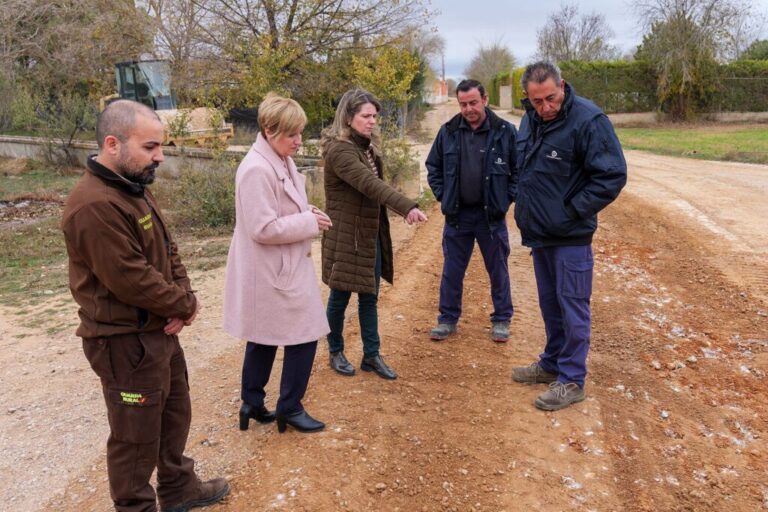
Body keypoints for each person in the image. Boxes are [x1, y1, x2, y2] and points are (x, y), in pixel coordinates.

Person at [61, 100, 228, 512]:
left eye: (160, 146)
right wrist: (183, 305)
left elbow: (168, 251)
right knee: (134, 436)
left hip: (155, 331)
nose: (160, 156)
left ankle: (178, 489)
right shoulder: (95, 204)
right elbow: (131, 278)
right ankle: (136, 507)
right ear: (113, 143)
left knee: (174, 413)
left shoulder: (133, 188)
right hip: (123, 343)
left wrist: (183, 298)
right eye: (151, 147)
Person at [510, 61, 627, 411]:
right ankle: (551, 364)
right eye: (536, 101)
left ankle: (572, 379)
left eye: (551, 98)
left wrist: (572, 210)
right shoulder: (530, 120)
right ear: (527, 99)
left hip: (571, 236)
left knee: (573, 306)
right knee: (550, 304)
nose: (546, 107)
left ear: (562, 85)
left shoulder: (588, 121)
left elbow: (612, 175)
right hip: (541, 234)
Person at [223, 94, 332, 434]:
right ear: (269, 130)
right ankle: (289, 408)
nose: (299, 141)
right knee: (305, 335)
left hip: (277, 267)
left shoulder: (279, 158)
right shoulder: (256, 168)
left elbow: (284, 207)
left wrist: (307, 212)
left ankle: (252, 403)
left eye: (300, 132)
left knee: (264, 335)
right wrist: (309, 224)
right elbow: (263, 227)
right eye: (292, 134)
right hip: (272, 270)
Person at [321, 88, 427, 380]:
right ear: (348, 117)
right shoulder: (340, 151)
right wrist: (406, 207)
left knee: (369, 296)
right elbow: (370, 185)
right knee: (339, 298)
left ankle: (371, 355)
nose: (372, 122)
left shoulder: (366, 147)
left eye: (374, 116)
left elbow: (374, 189)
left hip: (369, 235)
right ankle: (335, 350)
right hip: (346, 237)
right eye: (366, 116)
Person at [426, 79, 517, 343]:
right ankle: (447, 320)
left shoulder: (505, 131)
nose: (468, 109)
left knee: (498, 269)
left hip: (491, 217)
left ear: (485, 100)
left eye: (473, 103)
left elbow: (519, 171)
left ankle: (502, 319)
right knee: (452, 271)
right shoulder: (448, 131)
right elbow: (433, 167)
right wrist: (444, 196)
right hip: (458, 216)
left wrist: (506, 199)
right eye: (463, 104)